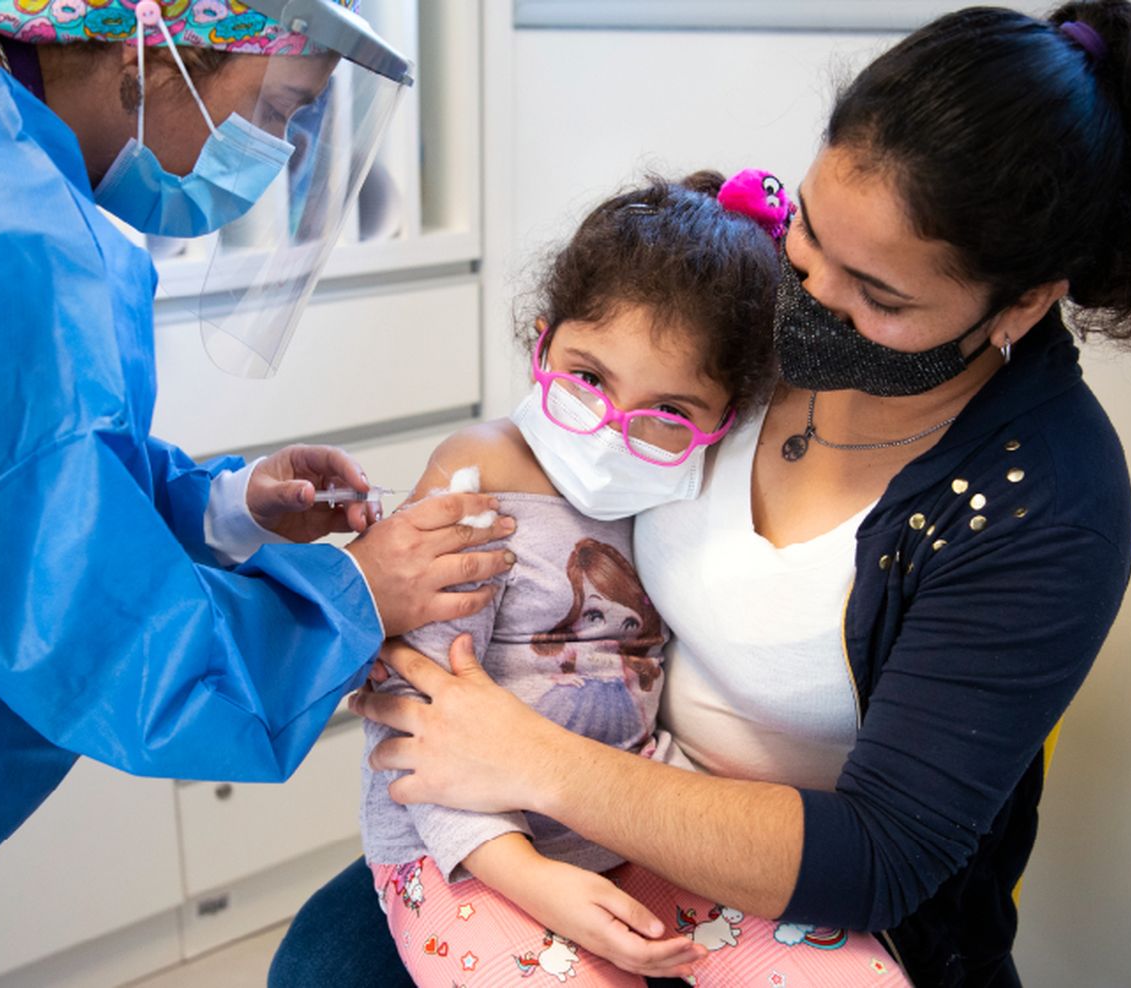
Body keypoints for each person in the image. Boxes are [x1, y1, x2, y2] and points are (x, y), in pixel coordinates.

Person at [274, 2, 1131, 985]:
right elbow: (541, 457)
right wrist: (393, 556)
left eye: (880, 297)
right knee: (323, 963)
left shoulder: (1046, 502)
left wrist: (527, 757)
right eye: (811, 233)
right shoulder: (741, 300)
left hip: (790, 876)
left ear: (1021, 301)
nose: (806, 297)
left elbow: (879, 856)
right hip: (552, 789)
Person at [0, 0, 515, 983]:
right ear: (155, 56)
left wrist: (221, 506)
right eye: (281, 109)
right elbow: (100, 634)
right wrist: (352, 593)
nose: (282, 154)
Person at [355, 171, 914, 987]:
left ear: (729, 421)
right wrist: (534, 878)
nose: (614, 430)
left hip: (635, 820)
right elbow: (411, 726)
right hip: (464, 849)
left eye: (670, 413)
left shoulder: (675, 490)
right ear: (542, 341)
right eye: (586, 377)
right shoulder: (476, 480)